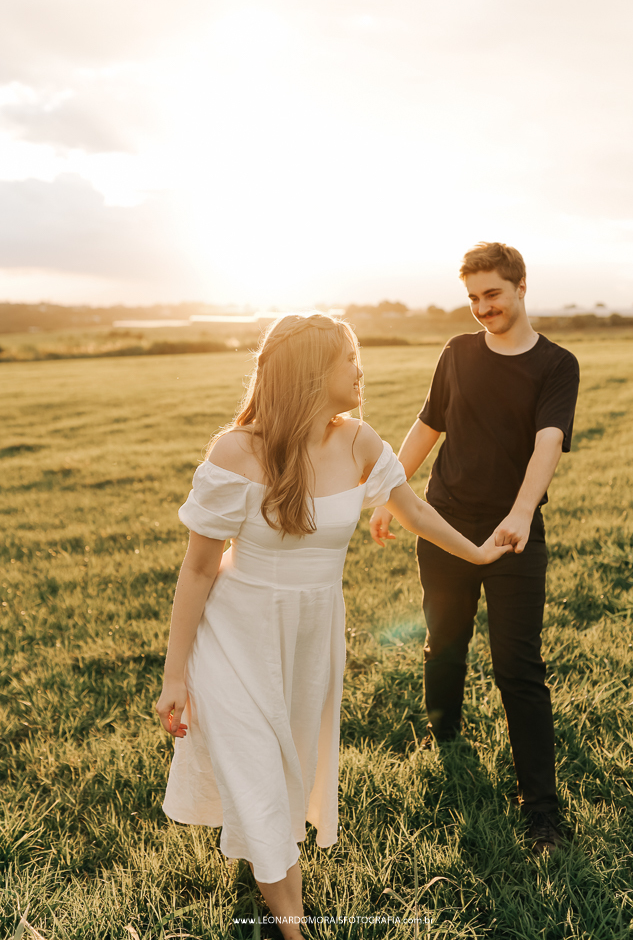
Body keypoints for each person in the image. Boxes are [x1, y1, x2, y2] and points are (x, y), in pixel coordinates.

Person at [155, 312, 512, 939]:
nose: (359, 367)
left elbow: (415, 513)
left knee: (289, 777)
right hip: (235, 639)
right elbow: (198, 572)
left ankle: (275, 900)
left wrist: (480, 553)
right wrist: (174, 675)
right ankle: (293, 930)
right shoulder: (235, 451)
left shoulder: (359, 442)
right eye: (349, 358)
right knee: (260, 779)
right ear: (313, 372)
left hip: (310, 639)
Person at [371, 243, 580, 855]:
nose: (481, 309)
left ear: (520, 287)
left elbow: (549, 442)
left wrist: (519, 514)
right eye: (472, 298)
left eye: (492, 294)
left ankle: (543, 813)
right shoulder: (458, 353)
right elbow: (428, 424)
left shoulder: (555, 364)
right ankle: (445, 733)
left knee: (520, 671)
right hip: (443, 528)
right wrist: (393, 491)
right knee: (445, 642)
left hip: (516, 538)